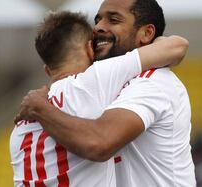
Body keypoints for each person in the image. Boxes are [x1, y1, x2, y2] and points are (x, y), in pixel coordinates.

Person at [10, 10, 188, 186]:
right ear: (89, 49)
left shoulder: (20, 126)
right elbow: (176, 46)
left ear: (47, 70)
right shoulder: (97, 78)